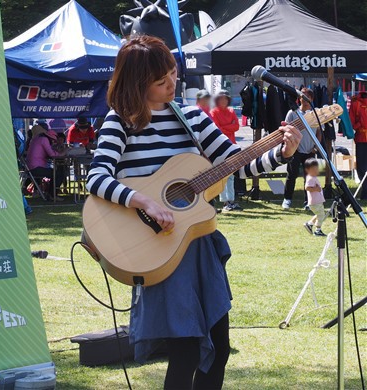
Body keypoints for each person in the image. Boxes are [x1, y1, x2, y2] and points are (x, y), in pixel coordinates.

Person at [86, 35, 301, 390]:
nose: (172, 84)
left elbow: (236, 165)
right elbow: (96, 178)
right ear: (137, 83)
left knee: (219, 347)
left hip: (199, 245)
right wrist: (146, 202)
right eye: (161, 81)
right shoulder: (119, 122)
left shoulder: (190, 117)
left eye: (172, 73)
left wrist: (281, 154)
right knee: (185, 352)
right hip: (158, 248)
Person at [282, 88, 322, 209]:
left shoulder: (316, 114)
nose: (305, 100)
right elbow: (285, 130)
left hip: (310, 150)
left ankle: (308, 202)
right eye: (303, 97)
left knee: (309, 177)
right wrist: (292, 145)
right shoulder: (292, 113)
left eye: (307, 98)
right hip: (295, 150)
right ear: (299, 98)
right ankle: (287, 199)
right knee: (291, 175)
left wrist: (315, 147)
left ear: (311, 99)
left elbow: (319, 131)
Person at [210, 90, 242, 212]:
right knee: (222, 176)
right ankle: (225, 202)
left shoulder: (231, 111)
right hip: (220, 147)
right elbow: (218, 130)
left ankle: (231, 200)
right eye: (221, 99)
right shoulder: (214, 112)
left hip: (232, 146)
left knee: (231, 176)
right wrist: (229, 126)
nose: (223, 101)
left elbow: (237, 127)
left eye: (225, 99)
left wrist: (225, 127)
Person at [26, 129, 65, 201]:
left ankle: (50, 193)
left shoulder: (37, 139)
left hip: (31, 167)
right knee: (59, 173)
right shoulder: (44, 140)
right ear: (50, 138)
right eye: (53, 140)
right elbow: (52, 155)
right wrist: (63, 153)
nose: (53, 142)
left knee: (55, 172)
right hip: (36, 168)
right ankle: (52, 195)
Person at [349, 92, 367, 199]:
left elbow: (351, 122)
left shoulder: (355, 102)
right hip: (361, 138)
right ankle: (365, 191)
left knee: (361, 167)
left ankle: (365, 191)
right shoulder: (356, 103)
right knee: (361, 167)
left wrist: (358, 125)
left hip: (361, 137)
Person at [303, 158, 327, 237]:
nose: (316, 170)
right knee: (321, 215)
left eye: (317, 168)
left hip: (317, 201)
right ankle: (318, 230)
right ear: (307, 170)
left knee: (320, 214)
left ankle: (309, 224)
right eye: (313, 169)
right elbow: (307, 187)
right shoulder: (310, 178)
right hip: (314, 202)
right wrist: (316, 189)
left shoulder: (313, 177)